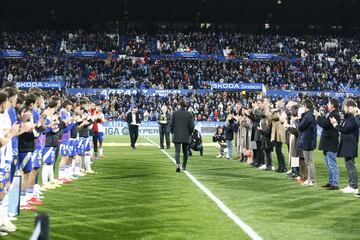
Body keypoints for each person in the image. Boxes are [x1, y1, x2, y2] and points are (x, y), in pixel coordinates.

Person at [330, 99, 359, 194]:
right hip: (347, 144)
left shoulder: (353, 118)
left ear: (349, 107)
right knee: (348, 165)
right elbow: (344, 128)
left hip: (350, 144)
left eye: (345, 106)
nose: (344, 108)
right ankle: (351, 184)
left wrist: (335, 125)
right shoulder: (349, 117)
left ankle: (354, 186)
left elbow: (345, 129)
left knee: (351, 166)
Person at [314, 98, 341, 190]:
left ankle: (335, 183)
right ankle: (331, 182)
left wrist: (318, 116)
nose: (327, 105)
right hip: (327, 143)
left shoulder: (335, 114)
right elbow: (325, 124)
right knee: (329, 164)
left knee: (332, 164)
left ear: (332, 105)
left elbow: (324, 124)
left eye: (329, 104)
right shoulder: (332, 114)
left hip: (331, 143)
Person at [169, 100, 194, 172]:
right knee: (185, 151)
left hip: (176, 134)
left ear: (179, 105)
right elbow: (192, 126)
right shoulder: (189, 114)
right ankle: (184, 166)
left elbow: (171, 124)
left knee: (177, 151)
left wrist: (173, 132)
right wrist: (189, 133)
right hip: (186, 135)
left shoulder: (175, 113)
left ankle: (177, 165)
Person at [297, 99, 317, 187]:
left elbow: (300, 127)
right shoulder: (311, 115)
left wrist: (300, 118)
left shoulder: (308, 116)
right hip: (310, 140)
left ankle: (311, 180)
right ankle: (310, 179)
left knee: (309, 161)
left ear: (305, 106)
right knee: (309, 161)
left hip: (307, 140)